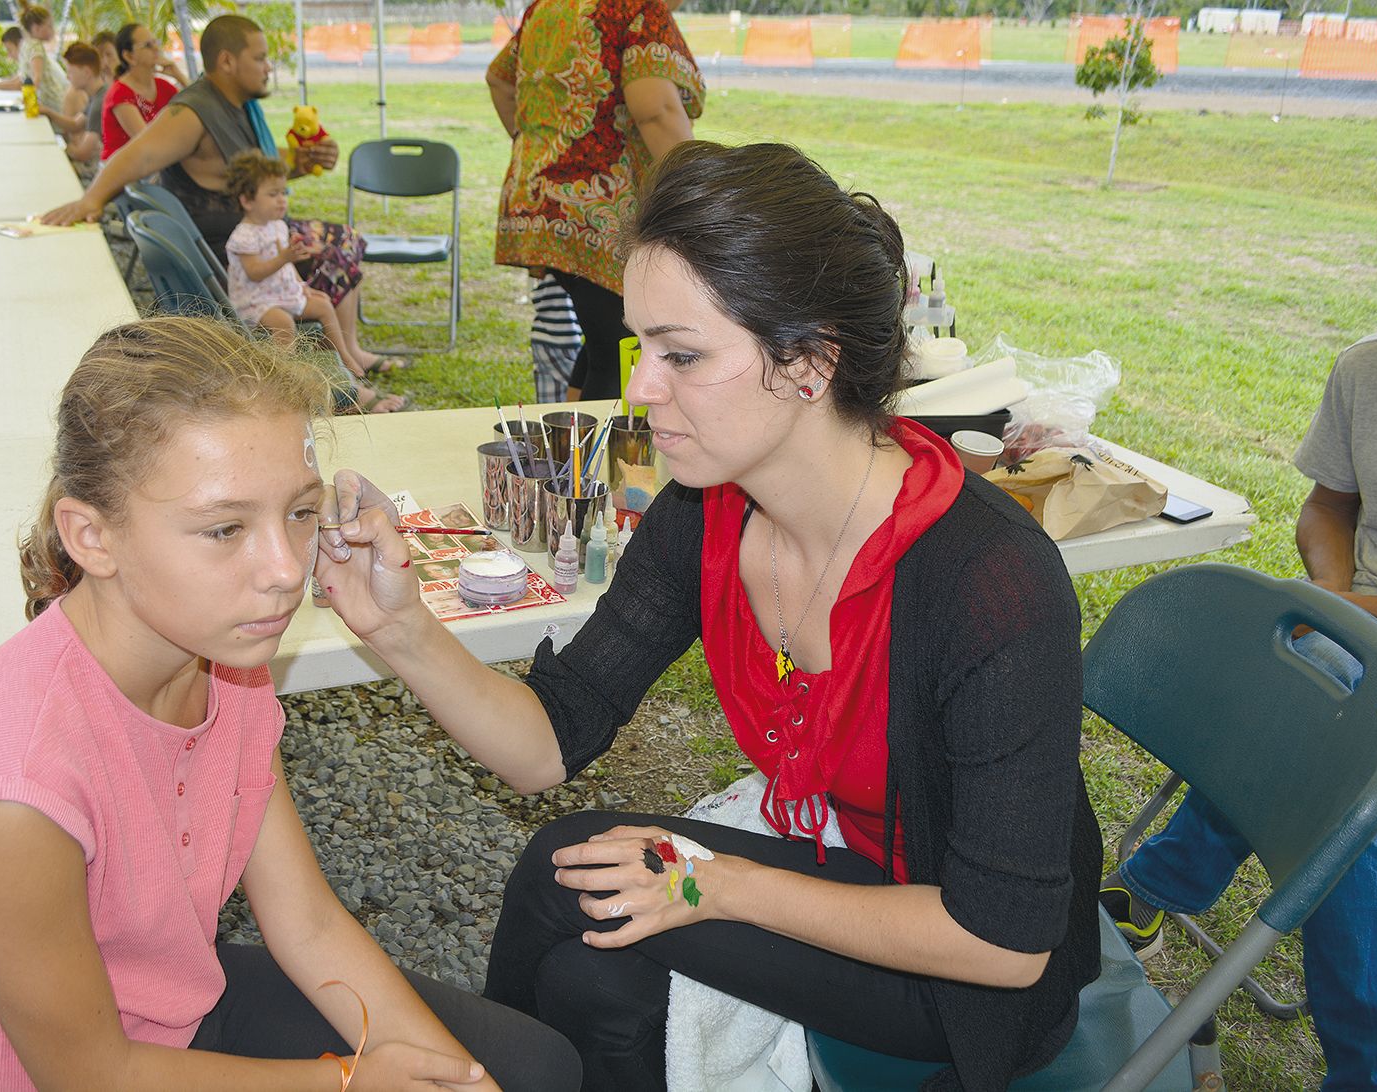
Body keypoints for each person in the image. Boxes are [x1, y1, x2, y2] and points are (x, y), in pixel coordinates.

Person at [312, 141, 1103, 1091]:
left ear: (809, 363)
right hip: (841, 853)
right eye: (645, 348)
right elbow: (547, 745)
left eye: (682, 355)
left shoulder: (987, 583)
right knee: (593, 979)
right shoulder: (706, 510)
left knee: (566, 875)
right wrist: (398, 627)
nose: (643, 389)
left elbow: (1005, 942)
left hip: (966, 964)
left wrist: (711, 882)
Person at [0, 316, 581, 1092]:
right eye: (224, 529)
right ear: (91, 536)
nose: (284, 570)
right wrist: (347, 1083)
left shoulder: (225, 667)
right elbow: (91, 1075)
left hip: (175, 1021)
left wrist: (457, 1079)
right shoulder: (10, 788)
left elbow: (307, 924)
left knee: (531, 1071)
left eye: (302, 512)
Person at [1103, 323, 1377, 1092]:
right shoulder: (1376, 367)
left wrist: (1355, 610)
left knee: (1330, 762)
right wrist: (1346, 604)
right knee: (1307, 722)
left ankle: (1153, 891)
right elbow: (1327, 506)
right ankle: (1372, 1078)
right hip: (1364, 625)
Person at [40, 15, 400, 378]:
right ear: (227, 61)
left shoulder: (234, 107)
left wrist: (303, 162)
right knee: (338, 247)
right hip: (235, 250)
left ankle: (345, 355)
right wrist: (92, 200)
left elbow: (249, 172)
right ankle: (337, 368)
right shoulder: (193, 111)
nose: (267, 67)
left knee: (343, 241)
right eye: (259, 58)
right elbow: (138, 155)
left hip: (254, 233)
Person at [486, 0, 704, 401]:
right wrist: (700, 190)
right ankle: (593, 462)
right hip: (600, 209)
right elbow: (655, 109)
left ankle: (572, 447)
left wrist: (536, 142)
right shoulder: (638, 8)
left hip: (541, 200)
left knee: (603, 333)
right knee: (619, 347)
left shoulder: (549, 6)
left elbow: (499, 79)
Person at [225, 149, 405, 412]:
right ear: (247, 200)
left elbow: (286, 271)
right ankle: (283, 377)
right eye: (272, 194)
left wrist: (301, 286)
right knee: (282, 323)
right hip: (255, 301)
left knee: (322, 303)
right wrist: (285, 257)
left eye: (284, 193)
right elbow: (255, 272)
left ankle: (345, 357)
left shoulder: (276, 226)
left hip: (278, 293)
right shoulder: (244, 235)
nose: (281, 201)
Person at [101, 22, 179, 161]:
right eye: (148, 45)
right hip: (123, 174)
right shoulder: (120, 94)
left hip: (154, 167)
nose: (156, 48)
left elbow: (197, 112)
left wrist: (179, 75)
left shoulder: (164, 87)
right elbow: (147, 142)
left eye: (155, 43)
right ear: (129, 56)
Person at [0, 5, 67, 114]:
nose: (52, 30)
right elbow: (25, 79)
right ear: (37, 28)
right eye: (49, 26)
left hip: (52, 106)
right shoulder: (31, 45)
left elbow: (35, 79)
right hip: (50, 104)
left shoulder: (33, 46)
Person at [43, 42, 106, 168]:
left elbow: (82, 154)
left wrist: (65, 147)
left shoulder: (99, 104)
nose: (67, 77)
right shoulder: (98, 95)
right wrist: (47, 112)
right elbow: (75, 124)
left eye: (70, 71)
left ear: (87, 72)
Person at [528, 272, 583, 404]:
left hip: (542, 336)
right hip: (561, 338)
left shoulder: (553, 268)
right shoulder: (565, 269)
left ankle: (551, 423)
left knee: (549, 395)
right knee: (580, 386)